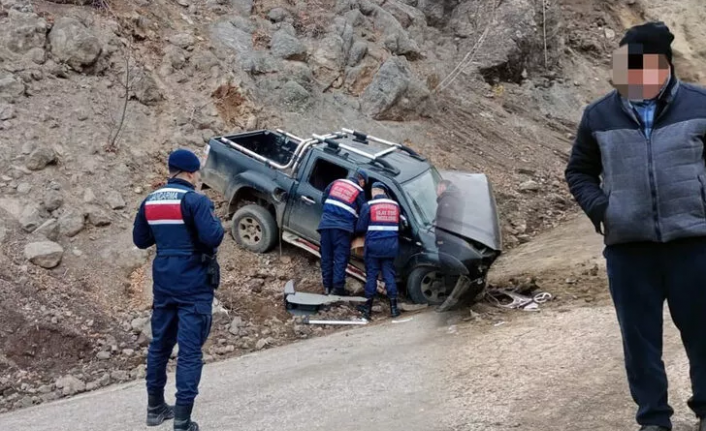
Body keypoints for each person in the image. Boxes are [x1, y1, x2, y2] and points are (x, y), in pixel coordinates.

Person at [565, 21, 706, 431]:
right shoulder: (598, 114)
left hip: (693, 244)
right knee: (639, 341)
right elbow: (579, 172)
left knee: (702, 335)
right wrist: (604, 210)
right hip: (629, 250)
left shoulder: (700, 104)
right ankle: (654, 419)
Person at [133, 149, 225, 431]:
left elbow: (141, 240)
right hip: (193, 285)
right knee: (189, 352)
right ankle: (183, 422)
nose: (198, 178)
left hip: (163, 283)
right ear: (189, 173)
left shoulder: (150, 201)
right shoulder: (195, 201)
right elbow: (213, 236)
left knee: (159, 345)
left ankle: (155, 408)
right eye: (197, 174)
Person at [355, 182, 401, 319]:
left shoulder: (368, 206)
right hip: (390, 246)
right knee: (389, 275)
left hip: (374, 247)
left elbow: (360, 227)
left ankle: (367, 309)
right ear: (384, 192)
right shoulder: (395, 206)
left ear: (374, 192)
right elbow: (400, 225)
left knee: (372, 276)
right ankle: (393, 308)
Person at [318, 170, 368, 296]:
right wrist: (358, 230)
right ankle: (338, 289)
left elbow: (324, 199)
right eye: (364, 183)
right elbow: (364, 213)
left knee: (326, 256)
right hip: (342, 229)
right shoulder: (359, 190)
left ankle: (327, 287)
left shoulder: (337, 182)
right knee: (340, 258)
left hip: (325, 225)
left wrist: (332, 212)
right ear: (361, 181)